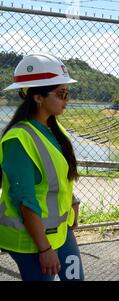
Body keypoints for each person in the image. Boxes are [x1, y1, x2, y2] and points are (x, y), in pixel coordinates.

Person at [0, 53, 84, 281]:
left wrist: (72, 202)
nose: (67, 100)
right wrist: (45, 250)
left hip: (60, 232)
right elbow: (25, 199)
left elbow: (56, 176)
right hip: (32, 240)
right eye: (61, 94)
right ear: (38, 97)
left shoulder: (55, 130)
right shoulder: (18, 140)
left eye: (67, 93)